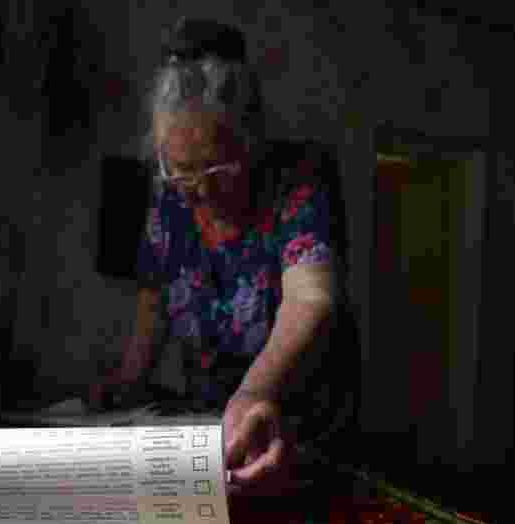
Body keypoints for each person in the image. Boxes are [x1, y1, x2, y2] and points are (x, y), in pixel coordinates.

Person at [90, 18, 350, 495]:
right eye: (183, 170)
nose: (200, 189)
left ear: (252, 145)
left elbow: (310, 299)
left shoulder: (297, 182)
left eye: (219, 167)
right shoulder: (168, 198)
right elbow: (154, 303)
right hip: (208, 427)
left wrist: (254, 394)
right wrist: (128, 380)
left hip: (293, 424)